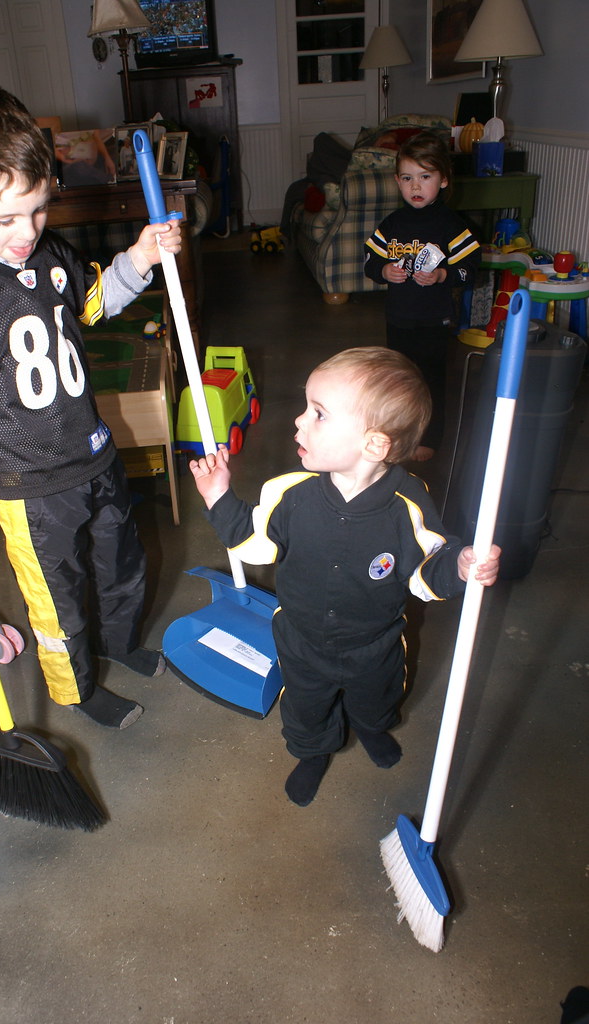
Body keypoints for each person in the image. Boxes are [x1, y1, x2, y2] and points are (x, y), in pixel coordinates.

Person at [0, 81, 182, 729]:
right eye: (5, 219)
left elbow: (93, 302)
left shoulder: (50, 249)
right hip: (27, 479)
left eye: (38, 210)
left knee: (122, 565)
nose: (26, 232)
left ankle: (120, 643)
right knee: (57, 600)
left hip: (93, 450)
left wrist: (140, 257)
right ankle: (75, 689)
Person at [189, 348, 500, 807]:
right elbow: (253, 543)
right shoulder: (289, 494)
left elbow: (424, 571)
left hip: (374, 641)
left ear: (374, 445)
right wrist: (219, 498)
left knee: (378, 697)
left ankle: (372, 728)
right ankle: (313, 751)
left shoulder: (409, 505)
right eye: (306, 408)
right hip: (301, 638)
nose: (298, 421)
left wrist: (459, 566)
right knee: (305, 705)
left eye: (318, 414)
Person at [364, 131, 481, 461]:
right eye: (407, 178)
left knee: (430, 380)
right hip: (398, 318)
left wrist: (443, 275)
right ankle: (398, 434)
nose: (415, 186)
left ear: (443, 180)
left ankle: (429, 438)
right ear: (397, 181)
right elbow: (370, 261)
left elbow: (471, 267)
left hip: (434, 320)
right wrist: (384, 271)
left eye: (425, 177)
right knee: (398, 380)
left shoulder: (451, 226)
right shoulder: (392, 225)